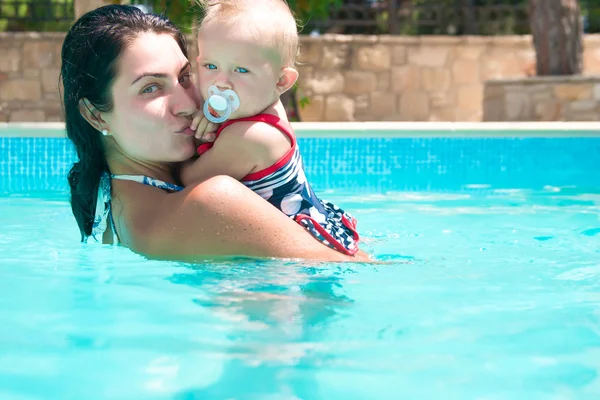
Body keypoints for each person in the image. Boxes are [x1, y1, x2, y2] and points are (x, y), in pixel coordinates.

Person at [60, 4, 370, 262]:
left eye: (184, 78)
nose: (187, 104)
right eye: (150, 88)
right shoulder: (211, 201)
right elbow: (360, 272)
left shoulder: (107, 204)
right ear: (94, 114)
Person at [179, 0, 360, 256]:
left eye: (241, 70)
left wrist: (193, 136)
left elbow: (188, 180)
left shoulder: (251, 137)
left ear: (281, 81)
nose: (221, 83)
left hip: (298, 254)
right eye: (210, 66)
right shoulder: (263, 106)